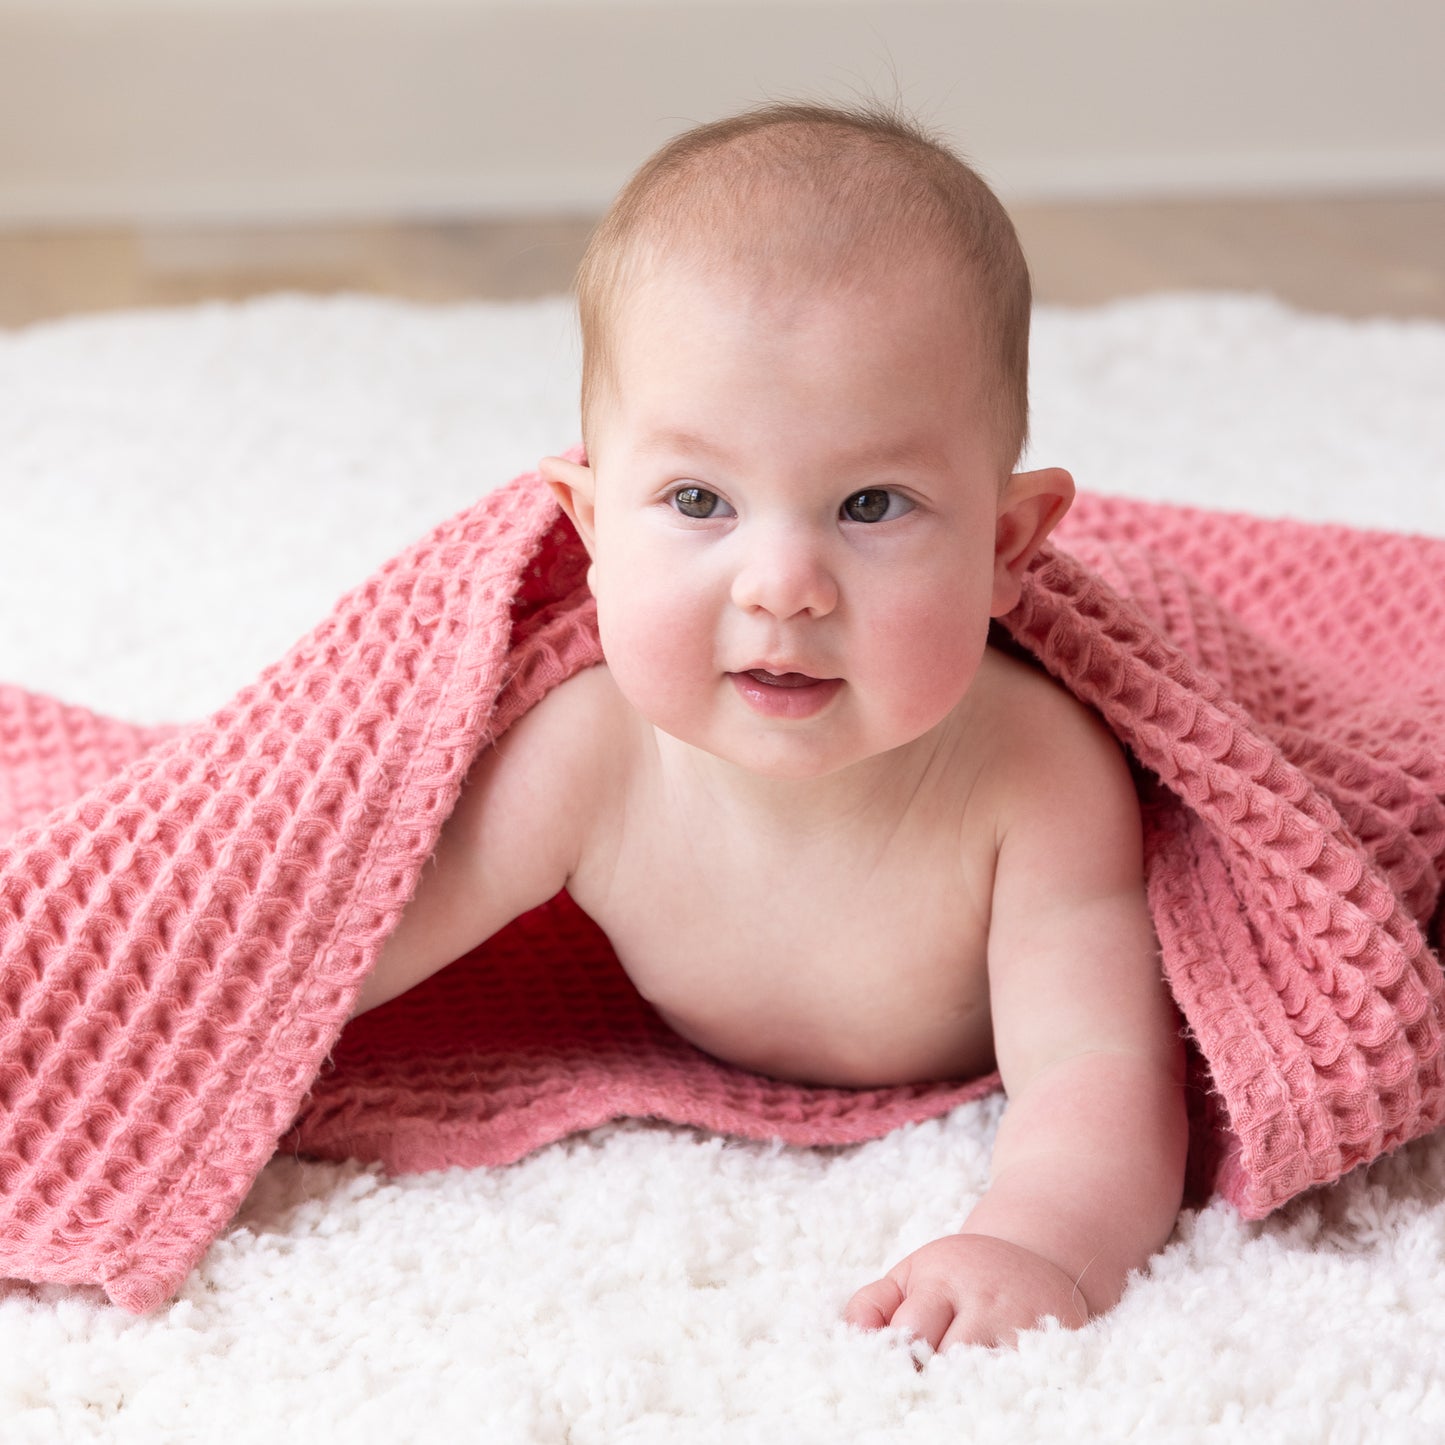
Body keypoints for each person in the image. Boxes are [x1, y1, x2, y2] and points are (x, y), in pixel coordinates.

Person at [351, 97, 1188, 1353]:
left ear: (1006, 544)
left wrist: (1035, 1239)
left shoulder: (1032, 774)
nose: (782, 582)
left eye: (869, 502)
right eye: (698, 497)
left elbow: (1098, 1071)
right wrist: (159, 1037)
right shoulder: (590, 754)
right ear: (588, 530)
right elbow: (339, 933)